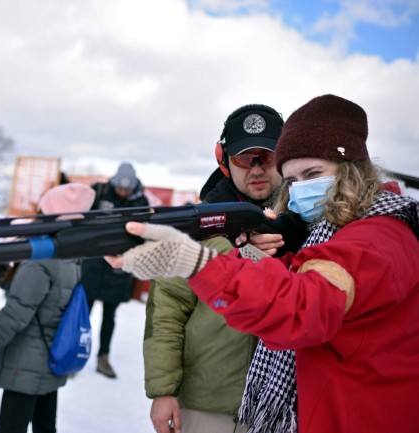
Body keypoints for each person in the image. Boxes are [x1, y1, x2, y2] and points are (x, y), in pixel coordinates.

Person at [107, 94, 419, 433]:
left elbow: (300, 305)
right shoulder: (335, 229)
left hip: (339, 411)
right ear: (225, 161)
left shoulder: (371, 239)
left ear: (352, 171)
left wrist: (195, 262)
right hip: (238, 399)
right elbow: (168, 313)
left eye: (312, 172)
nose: (301, 188)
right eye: (293, 180)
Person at [144, 104, 287, 433]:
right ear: (223, 159)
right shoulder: (195, 227)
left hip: (282, 407)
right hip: (206, 404)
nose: (256, 169)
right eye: (243, 158)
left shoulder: (309, 221)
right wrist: (163, 390)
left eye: (266, 157)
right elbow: (166, 312)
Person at [0, 182, 96, 433]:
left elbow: (14, 316)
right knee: (45, 428)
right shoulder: (67, 252)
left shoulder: (40, 259)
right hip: (48, 358)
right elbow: (16, 285)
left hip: (25, 366)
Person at [81, 162, 149, 378]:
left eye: (127, 190)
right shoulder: (99, 192)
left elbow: (146, 232)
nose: (122, 192)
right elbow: (80, 216)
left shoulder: (141, 201)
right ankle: (74, 355)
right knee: (83, 313)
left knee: (110, 316)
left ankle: (103, 357)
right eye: (120, 188)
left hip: (119, 268)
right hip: (93, 262)